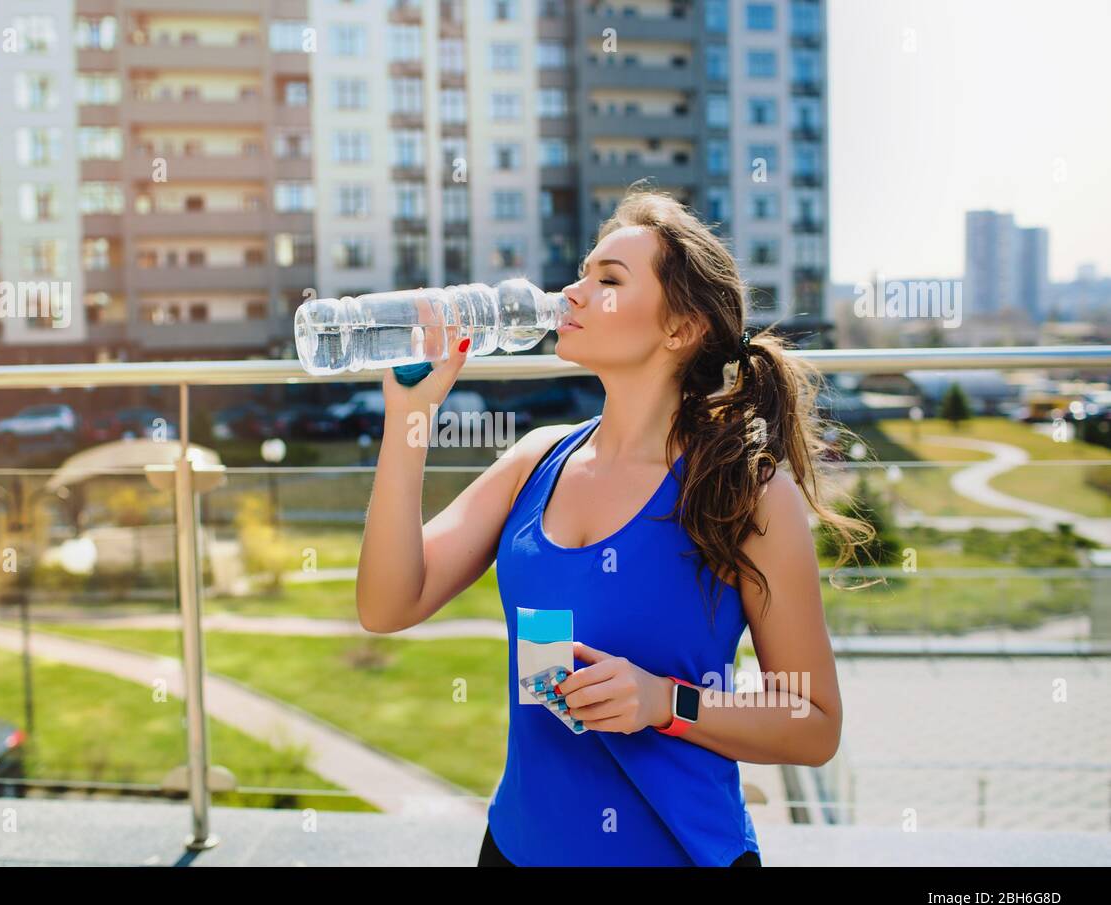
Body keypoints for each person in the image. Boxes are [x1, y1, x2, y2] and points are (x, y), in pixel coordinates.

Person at [356, 184, 876, 866]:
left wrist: (665, 702)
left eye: (607, 279)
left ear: (679, 328)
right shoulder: (535, 459)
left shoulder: (745, 492)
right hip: (518, 850)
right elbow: (387, 603)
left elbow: (813, 726)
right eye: (581, 273)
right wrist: (409, 416)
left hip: (679, 853)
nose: (571, 292)